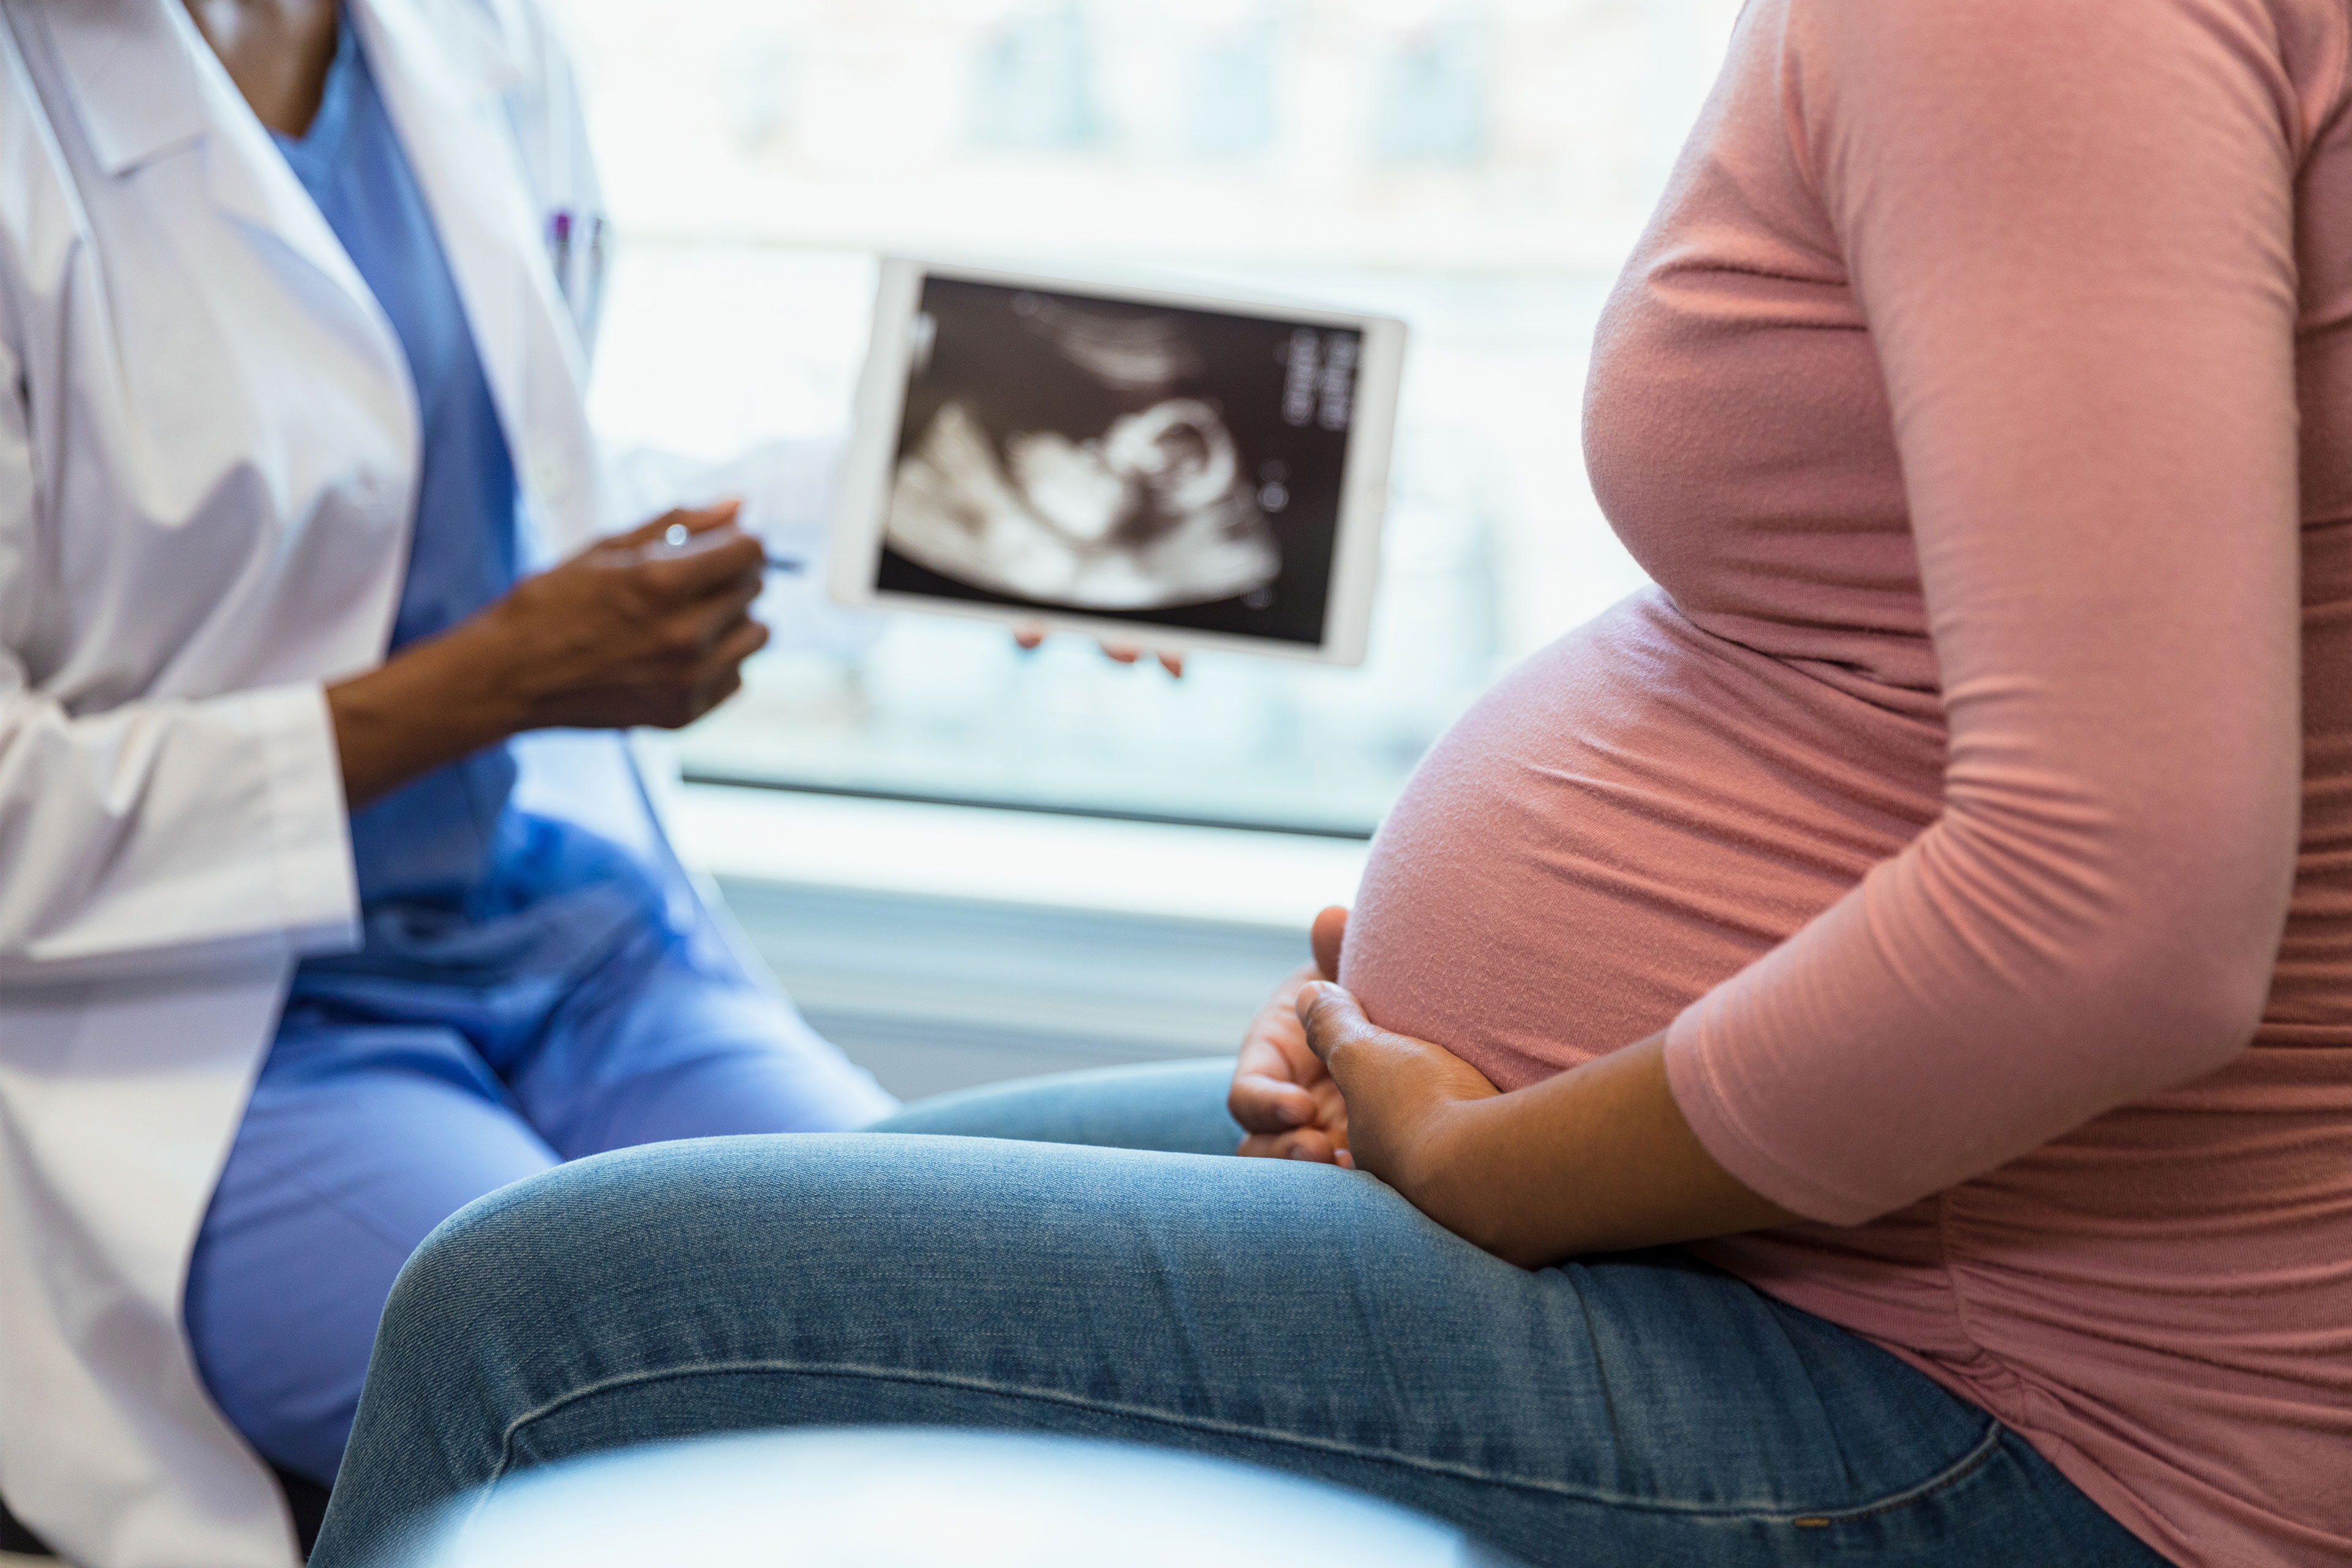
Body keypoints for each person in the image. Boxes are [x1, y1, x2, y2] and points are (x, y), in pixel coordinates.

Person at [309, 1, 2351, 1566]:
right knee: (768, 1220)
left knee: (546, 1319)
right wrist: (1466, 1003)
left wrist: (1497, 1156)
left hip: (2041, 1394)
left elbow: (2122, 918)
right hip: (1817, 1233)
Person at [0, 4, 893, 1564]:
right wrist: (494, 683)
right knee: (675, 1467)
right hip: (197, 1027)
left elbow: (497, 480)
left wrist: (926, 533)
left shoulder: (464, 34)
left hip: (550, 932)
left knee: (984, 1333)